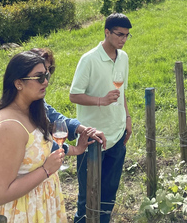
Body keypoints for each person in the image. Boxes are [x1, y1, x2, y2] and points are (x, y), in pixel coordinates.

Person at [0, 51, 96, 222]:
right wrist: (46, 170)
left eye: (47, 75)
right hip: (16, 213)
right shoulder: (9, 128)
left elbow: (39, 148)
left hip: (36, 208)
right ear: (18, 83)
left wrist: (76, 149)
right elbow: (0, 194)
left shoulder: (31, 110)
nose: (46, 82)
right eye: (39, 77)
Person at [69, 13, 133, 223]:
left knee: (109, 193)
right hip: (92, 138)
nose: (123, 39)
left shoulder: (123, 57)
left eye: (127, 35)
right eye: (119, 34)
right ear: (107, 32)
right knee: (87, 196)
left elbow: (122, 92)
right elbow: (73, 95)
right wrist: (100, 101)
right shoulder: (89, 59)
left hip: (117, 134)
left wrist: (127, 119)